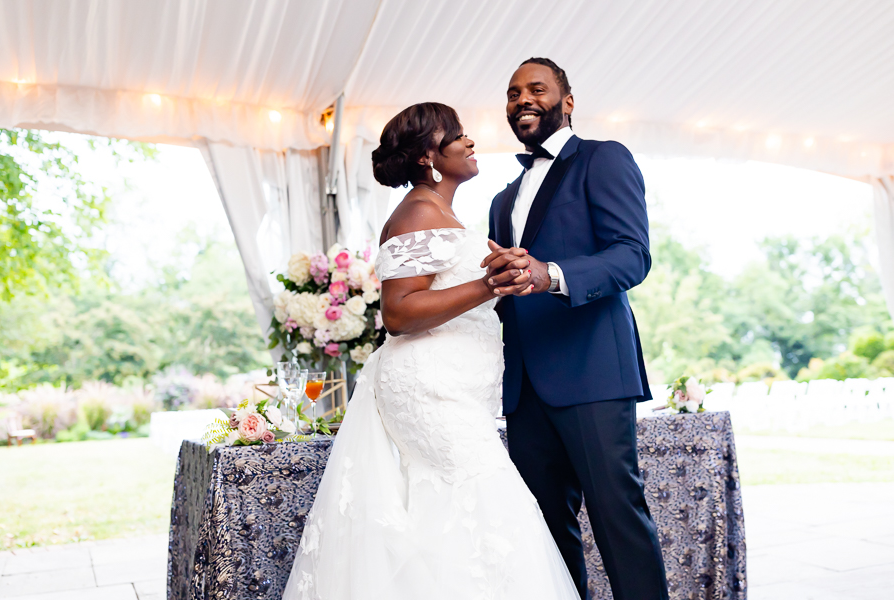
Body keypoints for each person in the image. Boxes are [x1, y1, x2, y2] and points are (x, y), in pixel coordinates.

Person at [282, 102, 580, 600]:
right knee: (485, 506)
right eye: (458, 135)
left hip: (454, 390)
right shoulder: (419, 210)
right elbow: (399, 313)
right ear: (428, 156)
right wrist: (489, 284)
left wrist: (502, 274)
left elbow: (455, 288)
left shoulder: (442, 212)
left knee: (452, 516)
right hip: (429, 389)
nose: (470, 142)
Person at [484, 58, 669, 600]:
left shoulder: (603, 159)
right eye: (514, 92)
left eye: (536, 89)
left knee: (618, 519)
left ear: (567, 101)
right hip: (523, 388)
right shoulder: (502, 200)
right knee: (543, 534)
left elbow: (632, 256)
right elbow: (506, 293)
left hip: (591, 372)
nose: (523, 99)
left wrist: (552, 274)